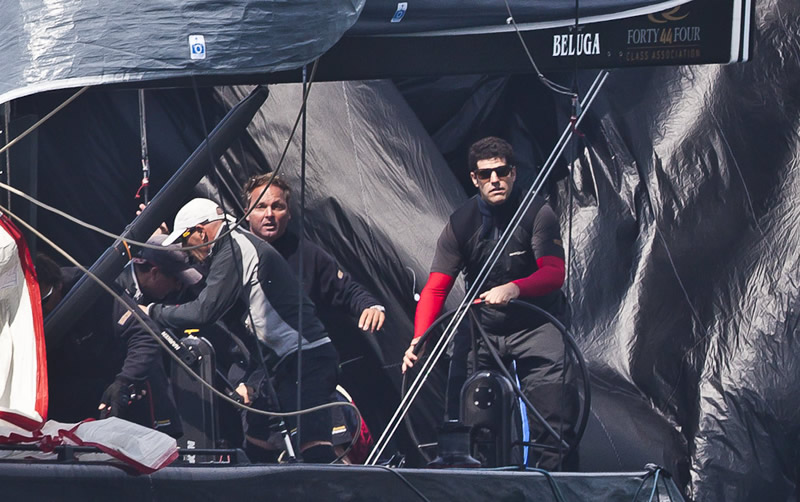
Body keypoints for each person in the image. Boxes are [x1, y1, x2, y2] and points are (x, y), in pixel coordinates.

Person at [401, 136, 580, 470]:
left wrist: (515, 288)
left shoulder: (538, 213)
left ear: (513, 173)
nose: (495, 180)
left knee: (555, 423)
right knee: (468, 425)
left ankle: (549, 487)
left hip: (538, 324)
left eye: (501, 171)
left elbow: (554, 273)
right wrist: (420, 336)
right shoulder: (461, 223)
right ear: (474, 179)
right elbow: (436, 288)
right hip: (482, 329)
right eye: (486, 174)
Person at [144, 198, 340, 463]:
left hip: (306, 359)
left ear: (201, 232)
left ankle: (335, 485)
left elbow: (205, 311)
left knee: (314, 446)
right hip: (282, 364)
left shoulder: (232, 247)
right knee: (259, 440)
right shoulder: (233, 246)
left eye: (185, 241)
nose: (186, 251)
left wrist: (154, 312)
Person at [36, 251, 189, 437]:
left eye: (44, 300)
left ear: (58, 285)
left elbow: (145, 335)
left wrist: (125, 381)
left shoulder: (89, 288)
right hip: (63, 396)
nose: (40, 307)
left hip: (111, 386)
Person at [242, 174, 386, 335]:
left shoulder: (308, 254)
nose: (269, 214)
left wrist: (371, 307)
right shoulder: (232, 252)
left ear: (289, 213)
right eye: (261, 207)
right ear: (247, 214)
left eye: (277, 207)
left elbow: (346, 290)